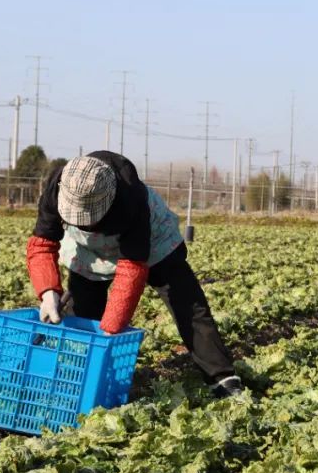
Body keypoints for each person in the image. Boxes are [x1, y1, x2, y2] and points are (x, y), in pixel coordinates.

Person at [25, 152, 243, 398]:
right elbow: (42, 243)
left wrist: (111, 328)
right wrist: (48, 292)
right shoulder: (60, 186)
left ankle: (221, 378)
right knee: (83, 310)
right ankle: (77, 380)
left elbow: (132, 269)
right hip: (89, 250)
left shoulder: (130, 198)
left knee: (186, 301)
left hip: (154, 242)